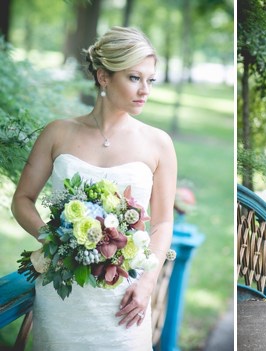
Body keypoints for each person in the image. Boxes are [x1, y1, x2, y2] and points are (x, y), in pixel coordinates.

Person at [11, 26, 177, 349]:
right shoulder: (58, 133)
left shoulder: (159, 144)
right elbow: (22, 199)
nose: (145, 90)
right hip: (62, 298)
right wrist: (54, 241)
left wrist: (147, 284)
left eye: (151, 80)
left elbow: (163, 222)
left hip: (124, 302)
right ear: (103, 77)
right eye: (134, 78)